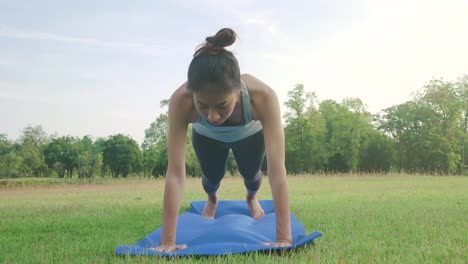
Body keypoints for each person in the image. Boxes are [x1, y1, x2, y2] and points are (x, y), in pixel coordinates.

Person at [153, 28, 292, 252]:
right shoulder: (181, 101)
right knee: (211, 178)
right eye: (202, 105)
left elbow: (276, 171)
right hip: (207, 137)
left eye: (221, 105)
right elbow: (176, 174)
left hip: (249, 134)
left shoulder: (263, 97)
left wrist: (283, 238)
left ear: (237, 91)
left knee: (252, 175)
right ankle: (212, 199)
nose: (212, 115)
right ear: (192, 92)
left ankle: (251, 198)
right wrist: (168, 241)